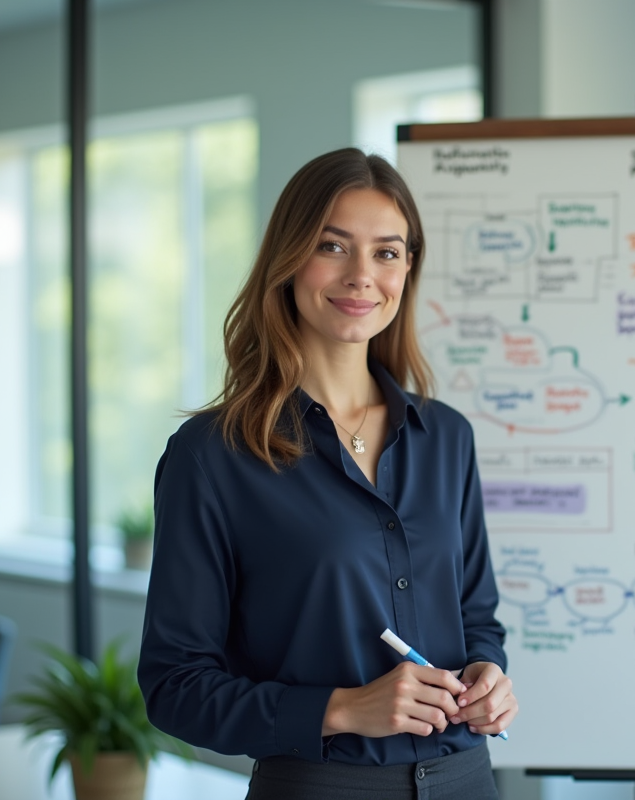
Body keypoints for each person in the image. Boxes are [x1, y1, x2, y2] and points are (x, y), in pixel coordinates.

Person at [138, 148, 517, 800]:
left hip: (466, 781)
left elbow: (476, 619)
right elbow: (175, 688)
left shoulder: (446, 437)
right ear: (288, 260)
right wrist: (339, 708)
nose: (363, 276)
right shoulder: (212, 456)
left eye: (387, 252)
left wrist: (488, 673)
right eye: (333, 246)